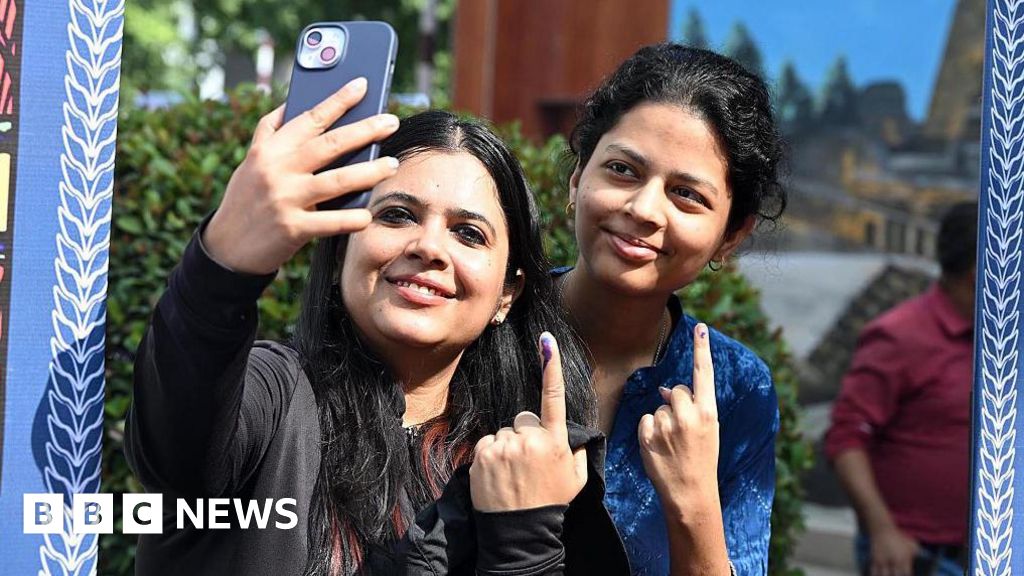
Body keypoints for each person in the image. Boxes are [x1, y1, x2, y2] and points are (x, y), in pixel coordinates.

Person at [125, 80, 617, 575]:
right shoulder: (271, 400)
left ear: (506, 294)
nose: (429, 247)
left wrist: (524, 541)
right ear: (342, 249)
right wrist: (225, 262)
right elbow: (176, 449)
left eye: (468, 233)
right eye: (397, 215)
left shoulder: (538, 465)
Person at [556, 43, 787, 576]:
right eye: (621, 169)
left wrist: (694, 502)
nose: (643, 209)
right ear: (576, 179)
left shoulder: (736, 389)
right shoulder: (485, 325)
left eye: (686, 195)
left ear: (732, 235)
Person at [825, 201, 978, 576]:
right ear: (978, 273)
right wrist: (883, 531)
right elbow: (846, 440)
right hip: (916, 556)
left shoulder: (1001, 342)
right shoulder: (902, 336)